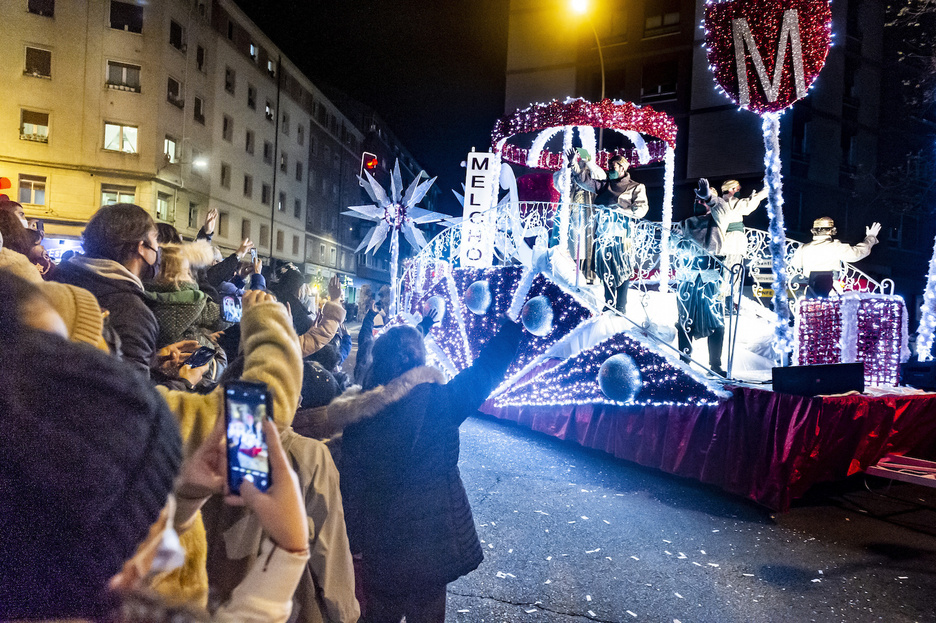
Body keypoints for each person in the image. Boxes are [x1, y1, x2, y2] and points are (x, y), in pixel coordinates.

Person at [0, 272, 312, 623]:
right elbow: (266, 405)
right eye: (57, 346)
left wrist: (187, 498)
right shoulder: (110, 428)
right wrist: (266, 318)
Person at [335, 317, 523, 622]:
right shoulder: (442, 401)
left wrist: (354, 544)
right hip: (434, 543)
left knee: (381, 613)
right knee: (428, 612)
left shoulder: (361, 414)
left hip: (383, 544)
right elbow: (485, 372)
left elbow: (351, 488)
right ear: (420, 362)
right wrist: (512, 331)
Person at [53, 203, 161, 375]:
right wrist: (185, 382)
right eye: (156, 240)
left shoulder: (57, 280)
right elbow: (133, 397)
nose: (158, 249)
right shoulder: (133, 312)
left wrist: (155, 360)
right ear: (141, 247)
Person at [566, 149, 648, 313]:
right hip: (603, 234)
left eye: (613, 166)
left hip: (622, 236)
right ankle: (609, 302)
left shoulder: (636, 187)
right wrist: (574, 164)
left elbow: (641, 209)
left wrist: (619, 211)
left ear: (622, 168)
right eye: (609, 165)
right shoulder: (605, 186)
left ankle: (621, 305)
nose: (609, 168)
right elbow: (586, 182)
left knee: (622, 269)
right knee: (605, 269)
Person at [675, 196, 729, 377]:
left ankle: (715, 364)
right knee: (685, 320)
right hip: (688, 275)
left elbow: (722, 208)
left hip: (711, 274)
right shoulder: (685, 223)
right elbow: (675, 243)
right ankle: (684, 362)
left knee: (716, 320)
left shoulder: (718, 220)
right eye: (696, 200)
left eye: (702, 200)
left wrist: (711, 197)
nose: (698, 203)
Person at [791, 217, 882, 297]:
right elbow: (858, 253)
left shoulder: (803, 248)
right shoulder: (835, 246)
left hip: (809, 294)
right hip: (830, 293)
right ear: (830, 231)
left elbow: (795, 265)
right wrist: (871, 237)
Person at [697, 178, 767, 270]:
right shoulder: (732, 202)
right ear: (731, 189)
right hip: (733, 240)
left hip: (724, 240)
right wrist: (766, 190)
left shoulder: (720, 202)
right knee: (731, 269)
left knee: (726, 269)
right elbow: (751, 202)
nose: (739, 191)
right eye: (737, 189)